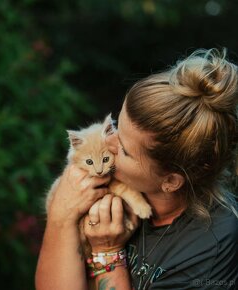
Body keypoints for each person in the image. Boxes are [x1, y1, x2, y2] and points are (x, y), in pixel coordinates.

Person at [35, 48, 238, 290]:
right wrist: (61, 215)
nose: (108, 144)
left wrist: (107, 252)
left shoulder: (212, 246)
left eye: (124, 150)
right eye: (115, 129)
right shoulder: (106, 190)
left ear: (171, 181)